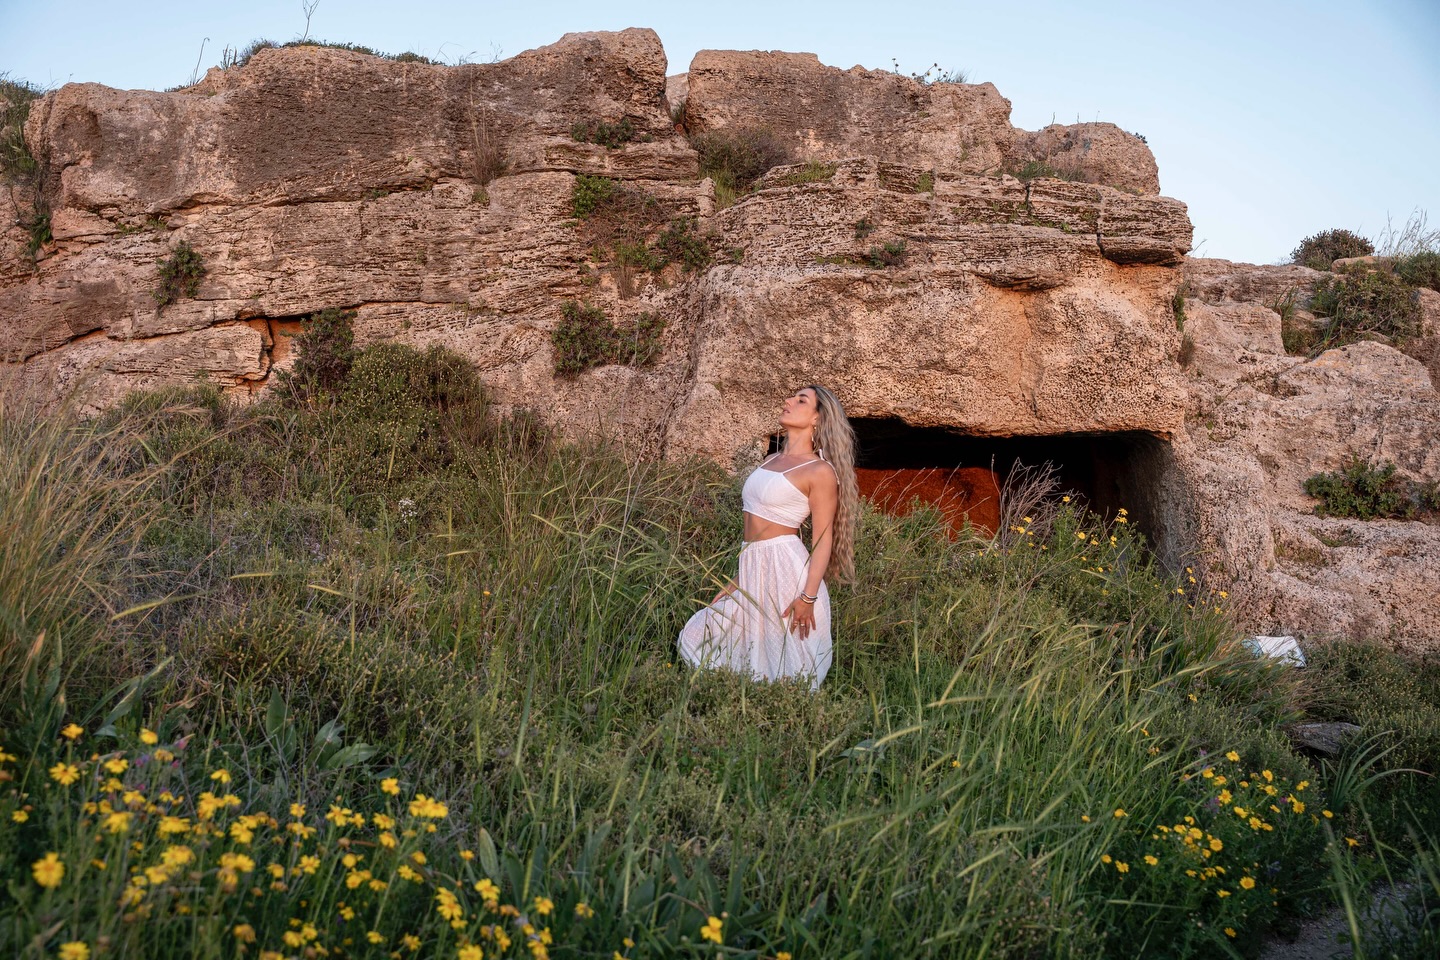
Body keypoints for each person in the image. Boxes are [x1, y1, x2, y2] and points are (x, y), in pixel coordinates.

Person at [677, 385, 858, 689]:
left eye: (801, 400)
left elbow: (823, 539)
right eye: (792, 396)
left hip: (786, 570)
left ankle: (777, 718)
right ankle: (733, 702)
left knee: (785, 658)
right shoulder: (770, 460)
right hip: (753, 566)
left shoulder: (819, 471)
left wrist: (808, 597)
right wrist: (739, 577)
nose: (789, 401)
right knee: (698, 635)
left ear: (817, 418)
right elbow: (754, 527)